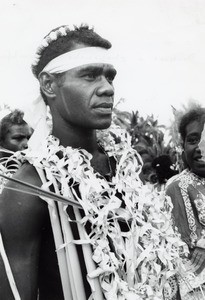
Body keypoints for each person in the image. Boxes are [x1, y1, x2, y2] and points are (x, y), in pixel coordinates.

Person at [0, 24, 183, 300]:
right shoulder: (31, 186)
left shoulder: (125, 168)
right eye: (89, 76)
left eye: (109, 77)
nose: (107, 88)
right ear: (49, 85)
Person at [166, 106, 205, 299]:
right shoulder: (177, 186)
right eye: (192, 140)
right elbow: (189, 253)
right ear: (183, 145)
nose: (200, 147)